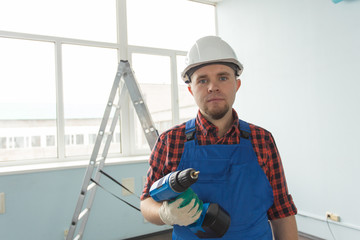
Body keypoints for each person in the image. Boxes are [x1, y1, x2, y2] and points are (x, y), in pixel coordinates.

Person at [140, 36, 298, 239]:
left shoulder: (262, 140)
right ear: (191, 89)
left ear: (237, 85)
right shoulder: (170, 141)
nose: (212, 87)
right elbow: (146, 202)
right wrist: (164, 213)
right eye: (203, 80)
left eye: (222, 77)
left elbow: (281, 210)